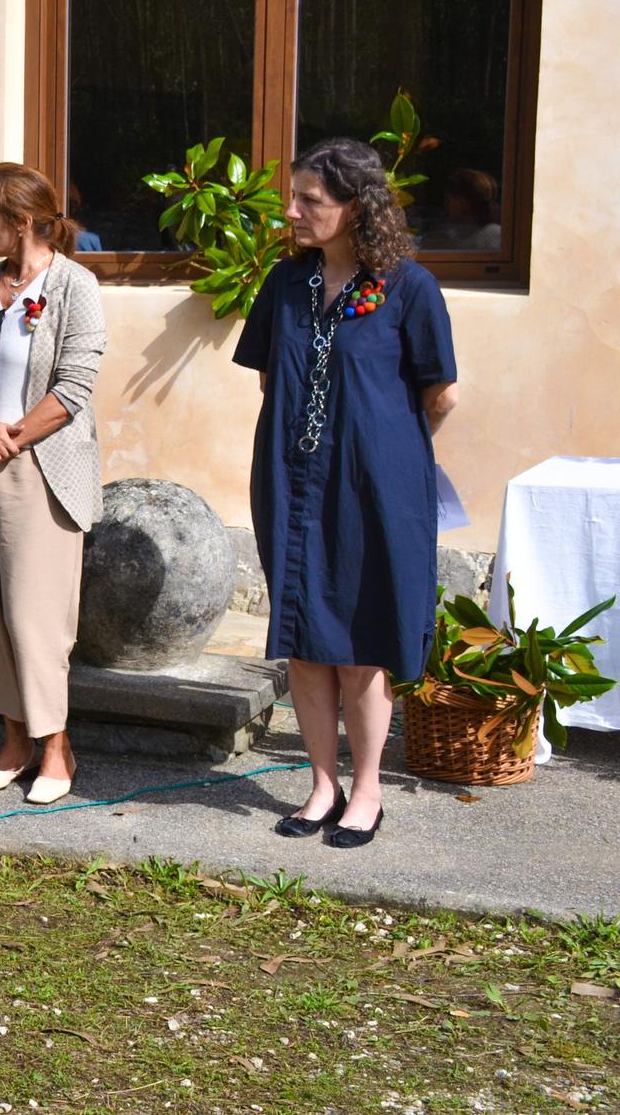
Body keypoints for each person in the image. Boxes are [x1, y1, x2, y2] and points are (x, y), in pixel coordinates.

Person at [234, 137, 458, 849]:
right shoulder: (285, 284)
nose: (293, 211)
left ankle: (366, 790)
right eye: (293, 197)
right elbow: (272, 378)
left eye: (311, 201)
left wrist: (377, 449)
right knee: (303, 638)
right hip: (291, 481)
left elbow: (439, 394)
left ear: (356, 208)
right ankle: (321, 783)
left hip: (372, 489)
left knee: (361, 643)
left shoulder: (409, 288)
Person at [0, 163, 106, 805]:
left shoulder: (76, 285)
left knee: (37, 617)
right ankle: (13, 743)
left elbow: (73, 389)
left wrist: (5, 440)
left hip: (40, 471)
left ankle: (56, 749)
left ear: (23, 223)